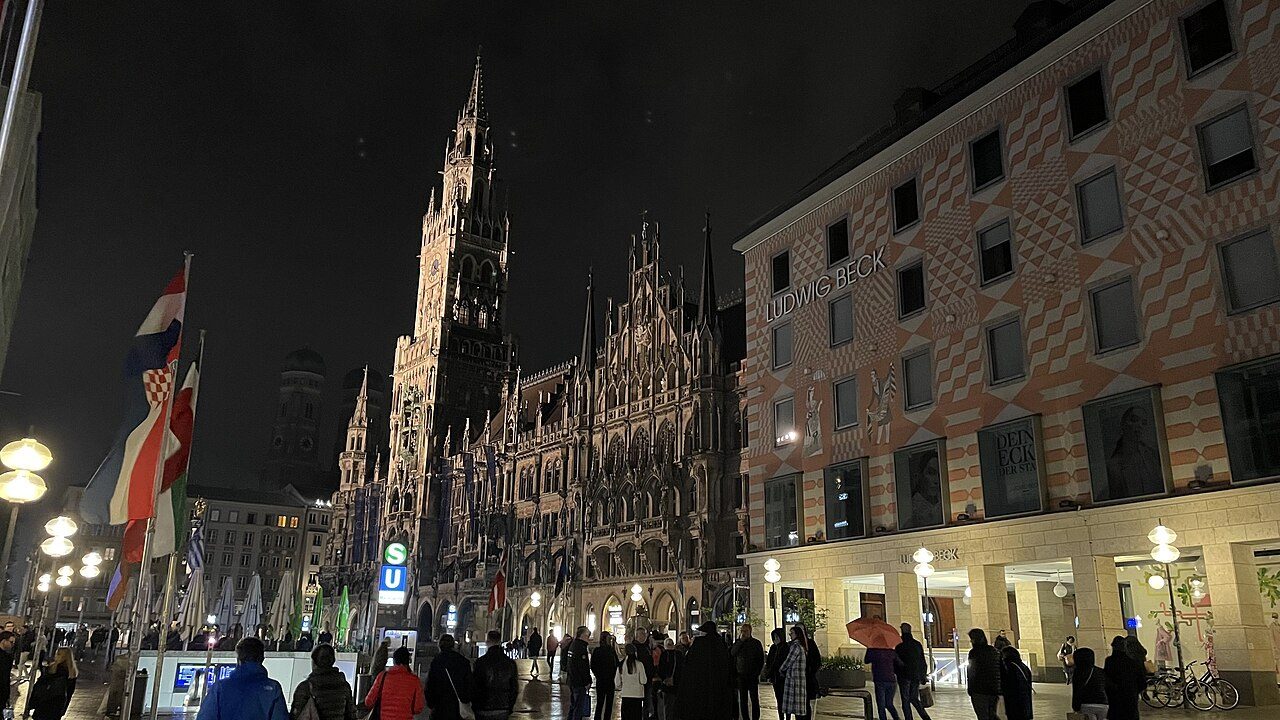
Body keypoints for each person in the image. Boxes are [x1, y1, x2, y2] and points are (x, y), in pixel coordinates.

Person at [195, 638, 289, 720]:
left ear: (238, 659)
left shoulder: (220, 687)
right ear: (262, 658)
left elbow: (205, 717)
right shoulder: (274, 688)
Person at [676, 622, 735, 720]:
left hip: (700, 686)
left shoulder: (699, 644)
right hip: (718, 687)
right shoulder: (720, 643)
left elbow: (689, 665)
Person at [289, 644, 357, 720]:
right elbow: (351, 715)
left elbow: (296, 715)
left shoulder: (306, 687)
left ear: (314, 663)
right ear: (332, 661)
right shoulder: (344, 686)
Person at [365, 647, 425, 720]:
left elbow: (368, 702)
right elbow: (417, 708)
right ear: (408, 661)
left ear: (394, 661)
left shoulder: (382, 676)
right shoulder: (415, 680)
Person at [473, 629, 518, 720]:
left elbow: (474, 686)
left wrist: (475, 706)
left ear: (487, 642)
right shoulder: (510, 663)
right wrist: (509, 707)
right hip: (503, 708)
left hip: (483, 708)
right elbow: (514, 689)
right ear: (499, 641)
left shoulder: (481, 662)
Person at [895, 624, 930, 720]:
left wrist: (896, 672)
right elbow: (922, 661)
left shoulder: (899, 646)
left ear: (902, 630)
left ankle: (909, 718)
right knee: (914, 698)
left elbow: (896, 662)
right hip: (916, 675)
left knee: (905, 700)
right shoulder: (917, 644)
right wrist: (923, 675)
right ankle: (925, 717)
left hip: (904, 675)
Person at [1104, 636, 1144, 720]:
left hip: (1114, 697)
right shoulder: (1132, 661)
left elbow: (1106, 679)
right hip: (1130, 696)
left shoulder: (1110, 661)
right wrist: (1135, 690)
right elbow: (1141, 681)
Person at [731, 624, 765, 720]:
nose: (743, 633)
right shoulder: (738, 643)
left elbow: (760, 660)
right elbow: (733, 653)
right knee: (743, 700)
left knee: (754, 699)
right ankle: (745, 717)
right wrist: (740, 641)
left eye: (745, 631)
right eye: (742, 631)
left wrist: (757, 672)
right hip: (741, 675)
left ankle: (755, 717)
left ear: (750, 631)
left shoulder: (756, 643)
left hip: (752, 675)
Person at [965, 629, 1001, 720]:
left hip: (979, 689)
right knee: (992, 714)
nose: (971, 641)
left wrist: (970, 688)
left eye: (972, 639)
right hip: (993, 689)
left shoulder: (974, 652)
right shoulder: (993, 650)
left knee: (982, 715)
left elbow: (972, 672)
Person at [28, 650, 74, 720]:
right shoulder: (71, 673)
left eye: (58, 654)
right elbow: (69, 693)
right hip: (57, 706)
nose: (55, 656)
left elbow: (42, 684)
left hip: (46, 703)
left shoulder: (55, 669)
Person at [777, 625, 810, 720]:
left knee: (795, 706)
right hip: (798, 679)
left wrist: (781, 669)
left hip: (795, 680)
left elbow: (789, 660)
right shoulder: (801, 646)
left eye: (791, 633)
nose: (790, 635)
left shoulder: (796, 646)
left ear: (797, 634)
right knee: (796, 707)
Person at [863, 645, 902, 720]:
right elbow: (899, 663)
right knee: (889, 703)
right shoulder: (891, 651)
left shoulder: (873, 650)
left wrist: (869, 649)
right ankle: (896, 718)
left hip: (879, 679)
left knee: (881, 705)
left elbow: (866, 660)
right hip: (891, 679)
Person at [1071, 647, 1108, 720]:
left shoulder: (1078, 673)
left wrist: (1075, 707)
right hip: (1103, 704)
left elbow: (1077, 691)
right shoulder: (1101, 671)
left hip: (1086, 705)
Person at [564, 626, 593, 719]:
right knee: (578, 708)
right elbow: (583, 667)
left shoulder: (573, 645)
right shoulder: (581, 647)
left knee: (573, 706)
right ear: (583, 636)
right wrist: (587, 681)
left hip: (572, 680)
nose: (589, 638)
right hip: (579, 682)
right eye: (588, 636)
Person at [628, 627, 656, 719]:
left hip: (647, 679)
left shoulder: (647, 646)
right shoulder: (633, 648)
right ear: (637, 636)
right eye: (642, 634)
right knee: (637, 703)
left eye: (645, 634)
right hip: (638, 680)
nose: (644, 636)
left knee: (647, 702)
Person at [591, 632, 620, 720]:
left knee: (600, 703)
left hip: (602, 680)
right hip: (608, 680)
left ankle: (598, 718)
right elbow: (617, 663)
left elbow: (593, 665)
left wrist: (598, 675)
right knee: (608, 703)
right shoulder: (610, 650)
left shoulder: (598, 651)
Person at [763, 628, 789, 720]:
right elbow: (770, 661)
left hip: (784, 678)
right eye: (774, 637)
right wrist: (768, 673)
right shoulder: (773, 648)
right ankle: (781, 717)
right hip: (775, 678)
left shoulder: (786, 647)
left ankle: (787, 717)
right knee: (779, 699)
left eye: (777, 637)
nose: (775, 639)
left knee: (785, 699)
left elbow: (781, 661)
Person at [1000, 646, 1033, 720]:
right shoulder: (1023, 666)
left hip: (1013, 702)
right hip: (1025, 703)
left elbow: (1007, 683)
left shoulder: (1009, 666)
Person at [618, 643, 648, 720]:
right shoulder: (639, 664)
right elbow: (643, 680)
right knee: (636, 716)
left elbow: (617, 682)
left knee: (626, 717)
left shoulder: (621, 665)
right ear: (635, 652)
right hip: (637, 695)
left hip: (625, 694)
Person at [0, 631, 15, 710]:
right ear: (3, 641)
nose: (12, 645)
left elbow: (6, 677)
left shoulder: (8, 657)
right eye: (11, 642)